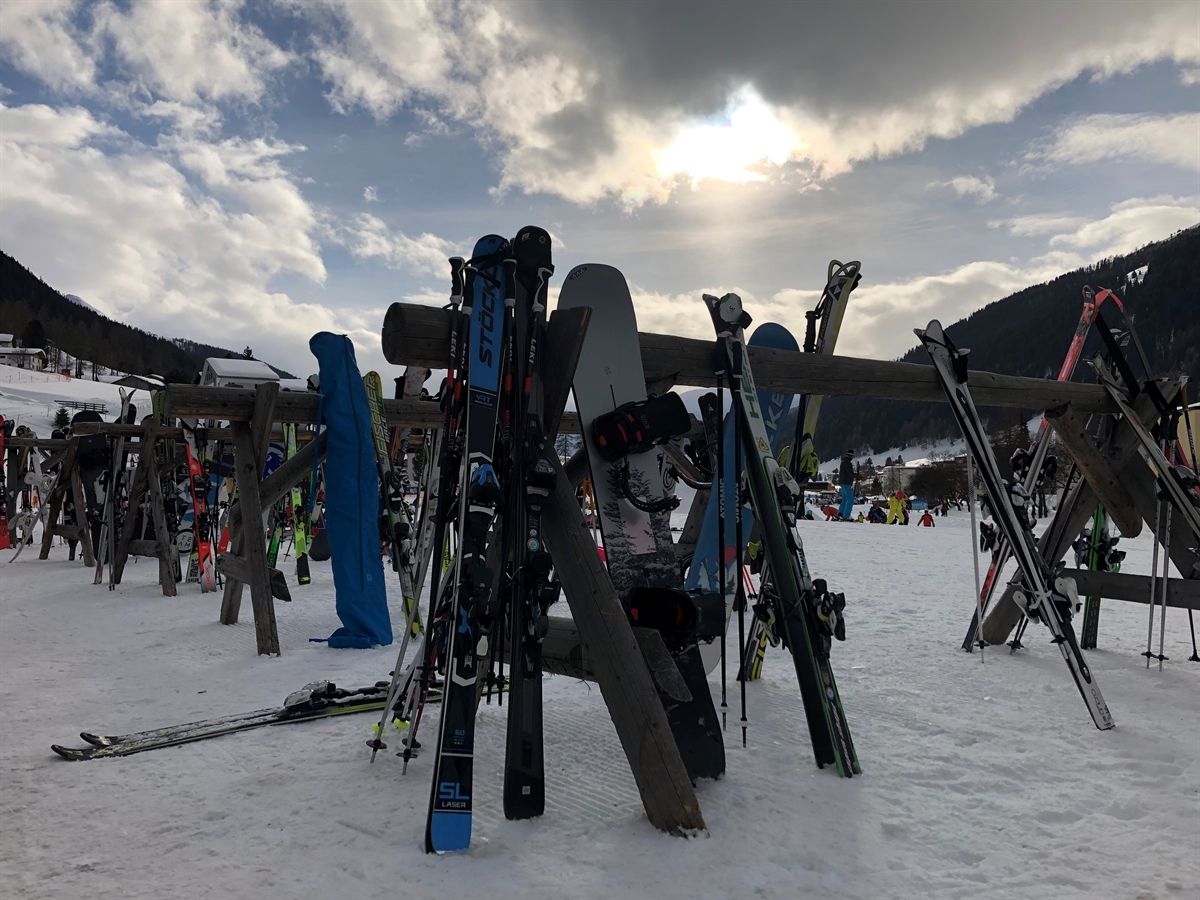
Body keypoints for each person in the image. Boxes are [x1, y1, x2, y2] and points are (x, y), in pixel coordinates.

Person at [838, 450, 855, 521]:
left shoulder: (843, 462)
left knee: (845, 499)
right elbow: (850, 473)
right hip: (846, 482)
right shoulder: (847, 463)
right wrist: (858, 476)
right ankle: (846, 516)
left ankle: (840, 513)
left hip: (842, 482)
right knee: (850, 499)